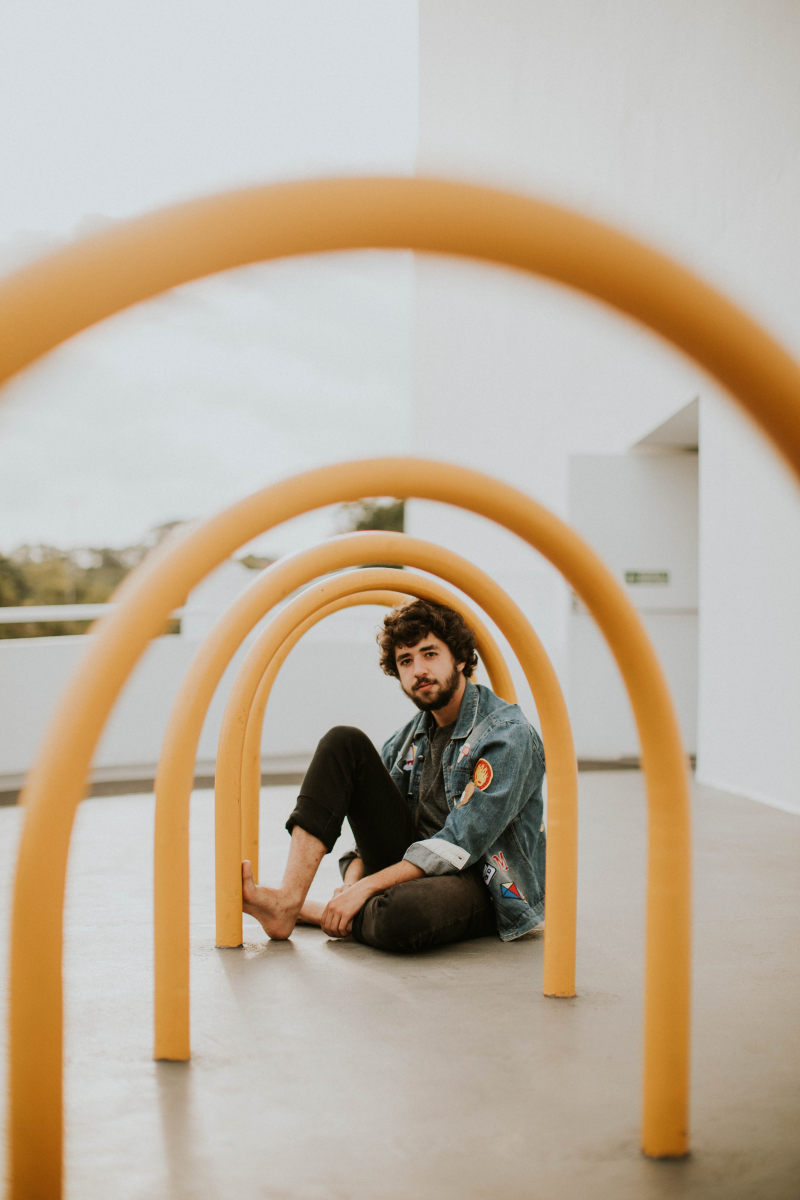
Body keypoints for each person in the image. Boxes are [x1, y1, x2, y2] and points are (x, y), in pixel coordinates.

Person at [241, 598, 546, 953]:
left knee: (402, 914)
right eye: (406, 660)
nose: (418, 670)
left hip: (481, 879)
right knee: (344, 742)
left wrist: (367, 888)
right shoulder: (407, 739)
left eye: (430, 654)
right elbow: (368, 837)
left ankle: (324, 913)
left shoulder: (506, 733)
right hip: (409, 869)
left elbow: (462, 842)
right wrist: (352, 883)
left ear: (460, 659)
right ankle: (288, 903)